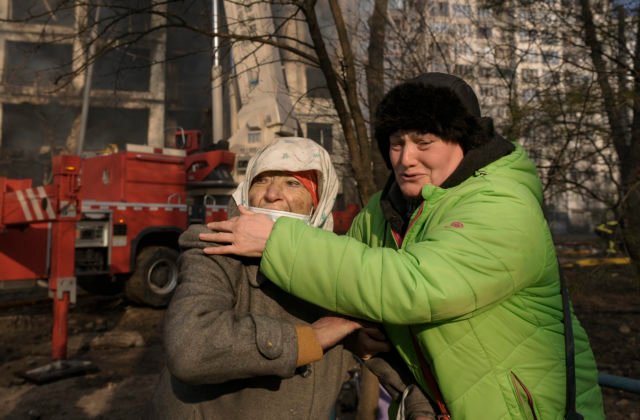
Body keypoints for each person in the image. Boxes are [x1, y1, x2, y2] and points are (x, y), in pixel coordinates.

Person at [201, 74, 605, 419]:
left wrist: (276, 242)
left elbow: (414, 286)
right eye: (397, 143)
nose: (406, 158)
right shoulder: (385, 210)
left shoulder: (502, 204)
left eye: (424, 142)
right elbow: (344, 285)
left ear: (463, 141)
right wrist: (367, 336)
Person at [148, 137, 434, 419]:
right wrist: (308, 339)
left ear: (318, 202)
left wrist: (420, 409)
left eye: (292, 183)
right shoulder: (215, 247)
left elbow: (384, 353)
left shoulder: (333, 265)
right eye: (262, 180)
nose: (272, 194)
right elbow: (190, 347)